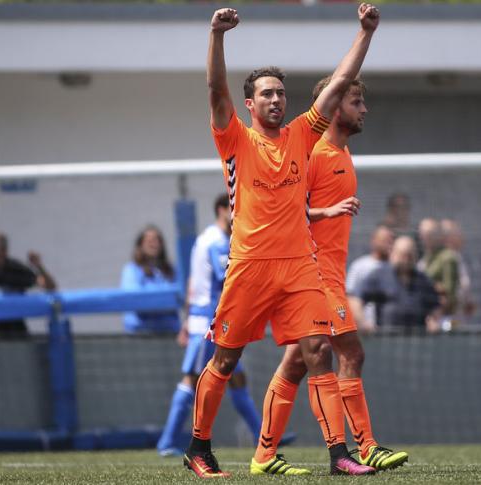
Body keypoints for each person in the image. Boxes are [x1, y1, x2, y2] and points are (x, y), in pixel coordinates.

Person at [184, 4, 380, 478]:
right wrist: (216, 35)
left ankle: (339, 456)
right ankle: (198, 449)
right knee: (226, 359)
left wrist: (365, 32)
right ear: (249, 105)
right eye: (266, 94)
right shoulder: (234, 138)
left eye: (280, 93)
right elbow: (214, 89)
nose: (276, 100)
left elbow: (336, 86)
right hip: (249, 266)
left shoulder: (301, 135)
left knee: (320, 350)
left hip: (297, 265)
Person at [250, 77, 408, 476]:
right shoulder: (315, 152)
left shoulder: (342, 151)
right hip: (313, 274)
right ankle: (365, 447)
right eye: (356, 102)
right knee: (351, 353)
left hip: (329, 274)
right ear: (335, 106)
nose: (364, 109)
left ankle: (264, 455)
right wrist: (327, 211)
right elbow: (284, 210)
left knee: (297, 364)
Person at [157, 195, 279, 456]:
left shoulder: (210, 239)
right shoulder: (216, 240)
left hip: (213, 319)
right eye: (237, 210)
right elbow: (227, 277)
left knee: (237, 379)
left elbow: (193, 283)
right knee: (192, 379)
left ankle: (263, 439)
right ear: (223, 210)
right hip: (209, 322)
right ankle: (166, 442)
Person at [0, 230, 57, 340]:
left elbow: (50, 287)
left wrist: (39, 267)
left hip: (14, 335)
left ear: (4, 251)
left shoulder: (15, 269)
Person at [359, 236, 441, 331]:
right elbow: (356, 299)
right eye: (402, 255)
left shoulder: (423, 280)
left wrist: (433, 321)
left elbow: (435, 306)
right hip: (386, 340)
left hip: (417, 341)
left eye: (409, 256)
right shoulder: (379, 275)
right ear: (393, 254)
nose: (406, 260)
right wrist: (363, 322)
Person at [120, 225, 180, 334]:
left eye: (157, 240)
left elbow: (179, 296)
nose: (154, 244)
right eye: (149, 240)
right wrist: (164, 302)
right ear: (140, 245)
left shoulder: (170, 270)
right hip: (141, 333)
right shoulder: (132, 270)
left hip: (169, 333)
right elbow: (135, 299)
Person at [346, 224, 394, 332]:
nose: (388, 244)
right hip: (364, 328)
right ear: (374, 240)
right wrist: (362, 322)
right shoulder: (360, 266)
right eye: (384, 240)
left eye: (391, 240)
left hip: (389, 328)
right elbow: (350, 295)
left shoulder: (394, 267)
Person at [418, 218, 460, 330]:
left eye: (429, 235)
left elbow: (449, 291)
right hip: (425, 314)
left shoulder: (447, 257)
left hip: (443, 317)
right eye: (423, 234)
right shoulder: (426, 258)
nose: (425, 238)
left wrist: (431, 286)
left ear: (438, 236)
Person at [441, 218, 475, 325]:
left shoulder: (458, 258)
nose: (462, 238)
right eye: (458, 234)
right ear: (448, 238)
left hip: (459, 318)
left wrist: (469, 301)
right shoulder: (438, 259)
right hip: (442, 319)